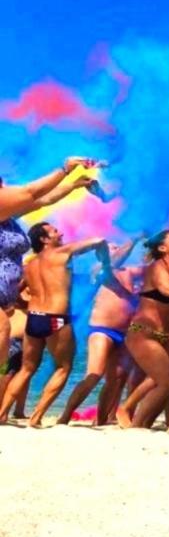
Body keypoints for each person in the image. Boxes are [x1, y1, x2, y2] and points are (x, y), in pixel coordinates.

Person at [0, 222, 108, 426]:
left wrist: (24, 304)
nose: (61, 233)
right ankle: (36, 417)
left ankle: (2, 413)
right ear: (44, 239)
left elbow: (16, 294)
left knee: (26, 369)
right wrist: (105, 261)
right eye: (55, 231)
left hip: (34, 317)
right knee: (64, 367)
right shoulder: (62, 253)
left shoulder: (30, 266)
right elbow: (98, 240)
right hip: (55, 318)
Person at [0, 158, 99, 377]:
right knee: (4, 332)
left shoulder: (8, 217)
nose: (5, 187)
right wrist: (65, 169)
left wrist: (73, 185)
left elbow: (44, 199)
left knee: (14, 351)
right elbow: (29, 192)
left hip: (6, 300)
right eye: (1, 186)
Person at [117, 230, 169, 428]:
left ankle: (144, 422)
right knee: (165, 382)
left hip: (166, 336)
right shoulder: (156, 267)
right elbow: (168, 290)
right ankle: (133, 420)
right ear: (162, 248)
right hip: (143, 333)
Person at [58, 237, 144, 425]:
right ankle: (65, 415)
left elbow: (152, 268)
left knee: (117, 378)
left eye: (116, 246)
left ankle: (101, 419)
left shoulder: (128, 271)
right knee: (94, 374)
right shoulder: (98, 270)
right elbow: (114, 261)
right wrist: (135, 238)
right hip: (102, 329)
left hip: (124, 331)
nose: (116, 249)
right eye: (112, 248)